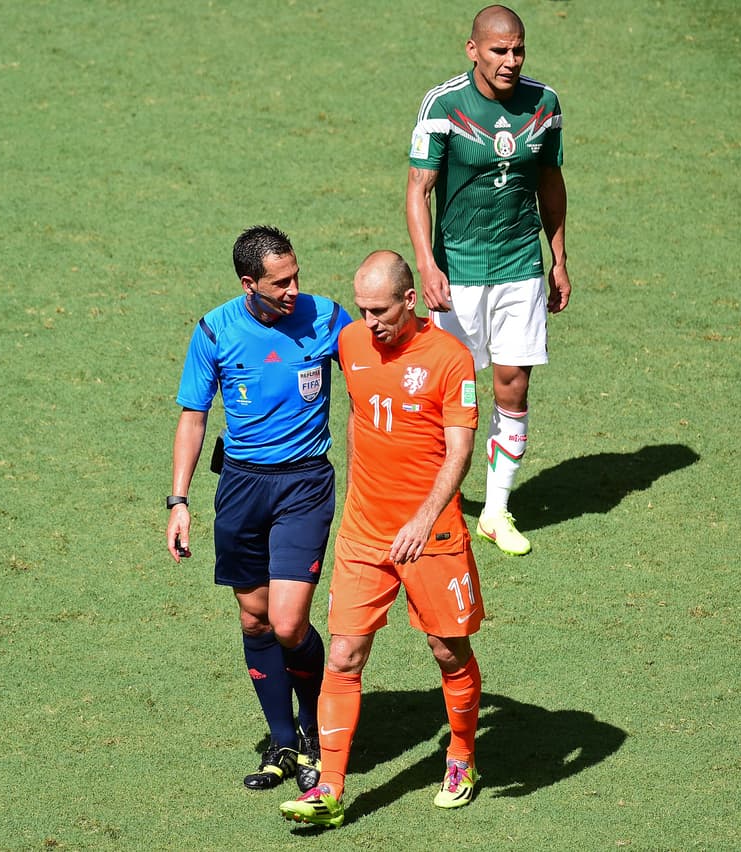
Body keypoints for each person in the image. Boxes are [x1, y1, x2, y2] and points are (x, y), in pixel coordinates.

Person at [281, 251, 484, 828]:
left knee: (448, 650)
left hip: (433, 533)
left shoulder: (452, 360)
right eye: (363, 310)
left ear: (410, 300)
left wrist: (422, 519)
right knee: (343, 655)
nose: (369, 323)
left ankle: (463, 756)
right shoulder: (351, 346)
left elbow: (461, 449)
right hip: (364, 532)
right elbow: (357, 412)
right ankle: (330, 788)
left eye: (380, 311)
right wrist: (355, 491)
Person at [167, 225, 351, 793]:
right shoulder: (215, 330)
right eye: (281, 282)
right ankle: (283, 741)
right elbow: (194, 416)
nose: (296, 289)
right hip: (242, 487)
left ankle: (320, 736)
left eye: (296, 275)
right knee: (254, 618)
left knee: (289, 622)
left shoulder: (327, 317)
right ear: (250, 285)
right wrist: (179, 500)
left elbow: (376, 369)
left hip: (304, 484)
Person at [406, 4, 571, 556]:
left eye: (518, 49)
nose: (510, 60)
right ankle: (438, 499)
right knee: (447, 394)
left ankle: (497, 511)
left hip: (519, 264)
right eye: (499, 50)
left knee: (513, 387)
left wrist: (559, 257)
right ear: (473, 49)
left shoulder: (544, 104)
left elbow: (550, 181)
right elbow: (417, 191)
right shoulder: (443, 104)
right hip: (460, 273)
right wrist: (428, 265)